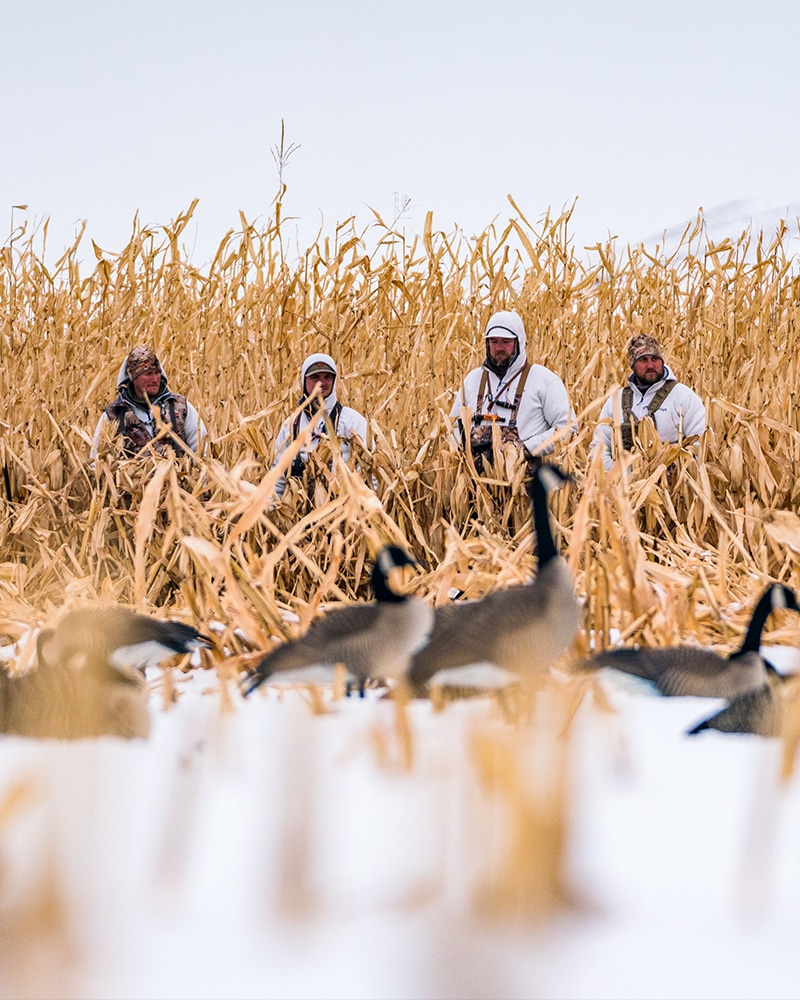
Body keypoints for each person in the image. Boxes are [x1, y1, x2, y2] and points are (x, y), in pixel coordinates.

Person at [450, 310, 576, 472]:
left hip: (524, 487)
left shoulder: (543, 380)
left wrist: (524, 449)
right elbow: (453, 426)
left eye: (506, 341)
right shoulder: (472, 380)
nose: (499, 347)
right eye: (493, 341)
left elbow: (568, 429)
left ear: (519, 343)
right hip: (476, 488)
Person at [591, 333, 706, 471]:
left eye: (655, 359)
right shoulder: (616, 401)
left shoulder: (683, 396)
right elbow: (599, 448)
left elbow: (701, 445)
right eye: (643, 360)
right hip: (625, 488)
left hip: (672, 489)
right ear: (632, 365)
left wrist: (675, 477)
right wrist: (619, 476)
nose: (651, 365)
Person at [272, 353, 369, 498]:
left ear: (334, 380)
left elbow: (370, 474)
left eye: (327, 377)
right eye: (315, 377)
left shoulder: (352, 422)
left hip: (342, 514)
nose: (322, 383)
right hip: (297, 516)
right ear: (304, 381)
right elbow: (277, 478)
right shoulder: (292, 425)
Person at [91, 346, 207, 461]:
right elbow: (97, 460)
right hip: (131, 479)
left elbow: (202, 451)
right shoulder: (115, 414)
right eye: (148, 374)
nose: (155, 379)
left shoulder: (179, 406)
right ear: (133, 378)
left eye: (157, 373)